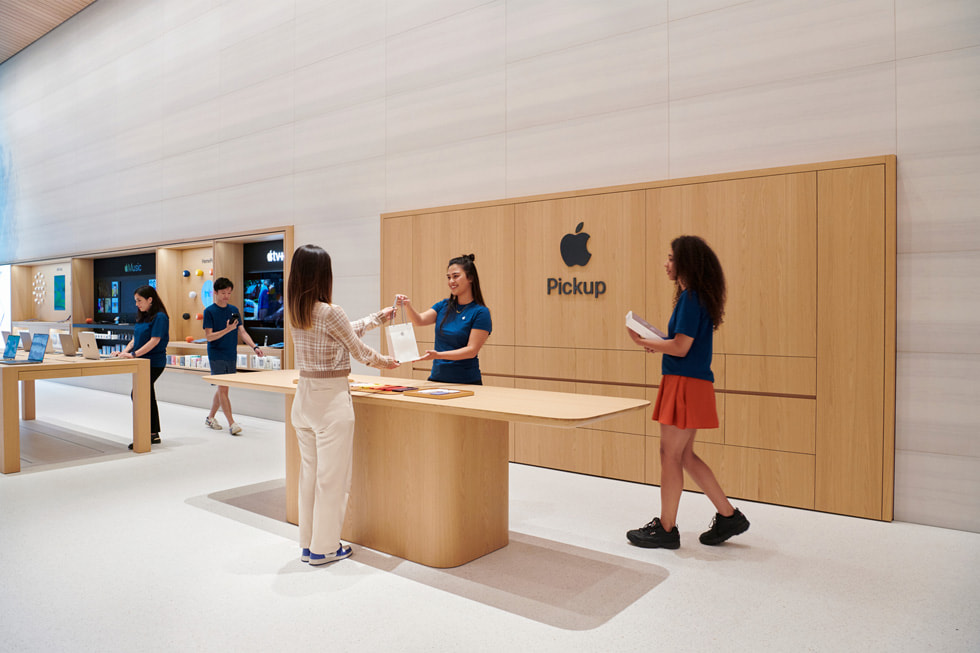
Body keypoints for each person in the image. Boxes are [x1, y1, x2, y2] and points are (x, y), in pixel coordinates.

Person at [625, 235, 749, 549]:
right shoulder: (693, 298)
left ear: (685, 263)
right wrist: (657, 343)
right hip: (690, 382)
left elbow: (680, 346)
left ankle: (666, 529)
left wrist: (644, 342)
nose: (666, 264)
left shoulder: (691, 298)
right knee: (685, 456)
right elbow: (680, 345)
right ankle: (728, 515)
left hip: (684, 383)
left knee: (670, 455)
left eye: (670, 258)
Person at [288, 244, 400, 566]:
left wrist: (379, 317)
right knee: (333, 478)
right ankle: (325, 548)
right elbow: (359, 350)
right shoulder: (329, 311)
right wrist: (388, 361)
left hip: (304, 399)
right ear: (324, 274)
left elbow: (345, 332)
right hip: (330, 400)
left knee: (310, 475)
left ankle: (309, 544)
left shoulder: (298, 310)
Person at [394, 254, 491, 385]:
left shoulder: (480, 312)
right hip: (437, 379)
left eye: (456, 276)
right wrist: (407, 305)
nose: (451, 281)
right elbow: (419, 320)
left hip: (466, 382)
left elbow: (471, 351)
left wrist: (438, 355)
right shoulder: (443, 305)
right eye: (449, 277)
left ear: (470, 278)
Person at [203, 277, 264, 435]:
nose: (226, 296)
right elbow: (209, 337)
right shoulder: (209, 311)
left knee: (223, 388)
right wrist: (227, 330)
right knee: (223, 388)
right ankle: (232, 423)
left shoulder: (234, 310)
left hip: (231, 352)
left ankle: (210, 417)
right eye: (223, 293)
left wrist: (254, 347)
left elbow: (242, 332)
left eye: (229, 293)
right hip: (216, 353)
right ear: (215, 292)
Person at [113, 285, 170, 450]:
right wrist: (123, 352)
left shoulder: (160, 317)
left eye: (139, 300)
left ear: (150, 299)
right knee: (147, 395)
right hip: (141, 361)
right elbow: (135, 338)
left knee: (139, 394)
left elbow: (155, 340)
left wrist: (134, 355)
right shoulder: (143, 316)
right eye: (136, 301)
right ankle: (153, 434)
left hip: (153, 362)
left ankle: (147, 433)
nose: (137, 304)